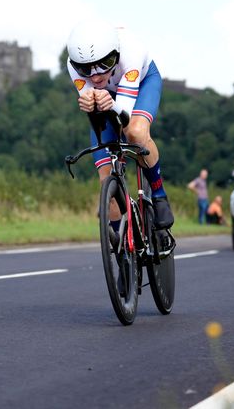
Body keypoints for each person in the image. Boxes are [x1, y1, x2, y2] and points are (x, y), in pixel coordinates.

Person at [66, 19, 174, 250]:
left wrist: (107, 103)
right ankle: (122, 247)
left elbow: (123, 115)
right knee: (106, 177)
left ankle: (159, 193)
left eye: (104, 64)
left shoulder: (131, 52)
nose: (95, 76)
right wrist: (90, 103)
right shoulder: (73, 65)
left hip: (141, 84)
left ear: (116, 54)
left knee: (134, 132)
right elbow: (95, 108)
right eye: (86, 69)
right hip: (109, 99)